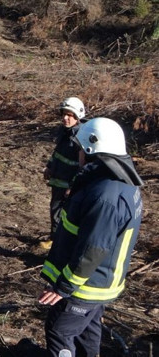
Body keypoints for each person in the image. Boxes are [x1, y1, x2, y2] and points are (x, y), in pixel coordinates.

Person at [37, 117, 144, 357]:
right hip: (98, 284)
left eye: (79, 149)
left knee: (59, 331)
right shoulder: (121, 183)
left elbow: (93, 248)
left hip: (85, 286)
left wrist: (64, 287)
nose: (77, 155)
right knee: (88, 329)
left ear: (91, 150)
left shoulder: (104, 196)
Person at [41, 97, 86, 249]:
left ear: (78, 116)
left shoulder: (80, 137)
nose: (65, 118)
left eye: (70, 115)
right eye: (64, 114)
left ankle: (58, 241)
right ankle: (56, 239)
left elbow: (82, 165)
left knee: (63, 213)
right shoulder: (65, 132)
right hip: (58, 178)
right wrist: (49, 166)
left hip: (68, 183)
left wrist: (73, 186)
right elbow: (58, 152)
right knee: (56, 209)